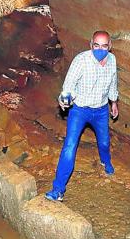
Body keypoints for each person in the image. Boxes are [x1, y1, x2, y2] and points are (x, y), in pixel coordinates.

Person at [45, 30, 119, 202]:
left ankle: (105, 162)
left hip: (100, 111)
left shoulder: (112, 60)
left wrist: (114, 102)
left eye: (104, 46)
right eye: (96, 45)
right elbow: (69, 84)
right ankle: (58, 190)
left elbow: (113, 82)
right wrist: (65, 98)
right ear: (90, 44)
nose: (100, 49)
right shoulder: (81, 60)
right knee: (69, 147)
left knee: (104, 142)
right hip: (80, 110)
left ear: (110, 46)